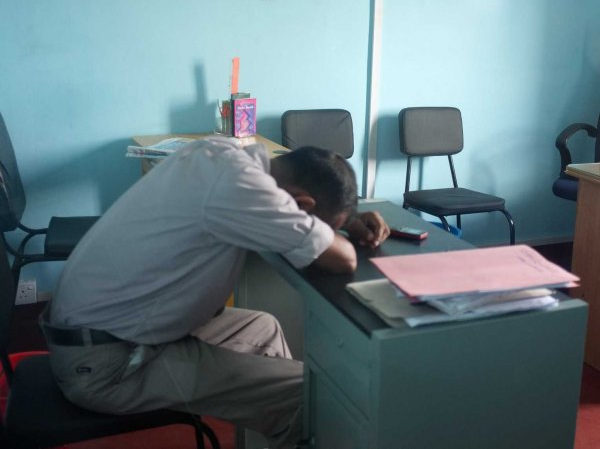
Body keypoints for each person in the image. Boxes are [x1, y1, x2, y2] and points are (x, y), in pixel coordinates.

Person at [41, 136, 389, 448]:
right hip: (109, 367)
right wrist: (336, 232)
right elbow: (343, 259)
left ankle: (270, 431)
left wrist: (345, 219)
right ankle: (288, 418)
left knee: (262, 328)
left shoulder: (219, 155)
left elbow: (295, 217)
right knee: (307, 397)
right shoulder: (239, 186)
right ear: (302, 206)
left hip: (114, 333)